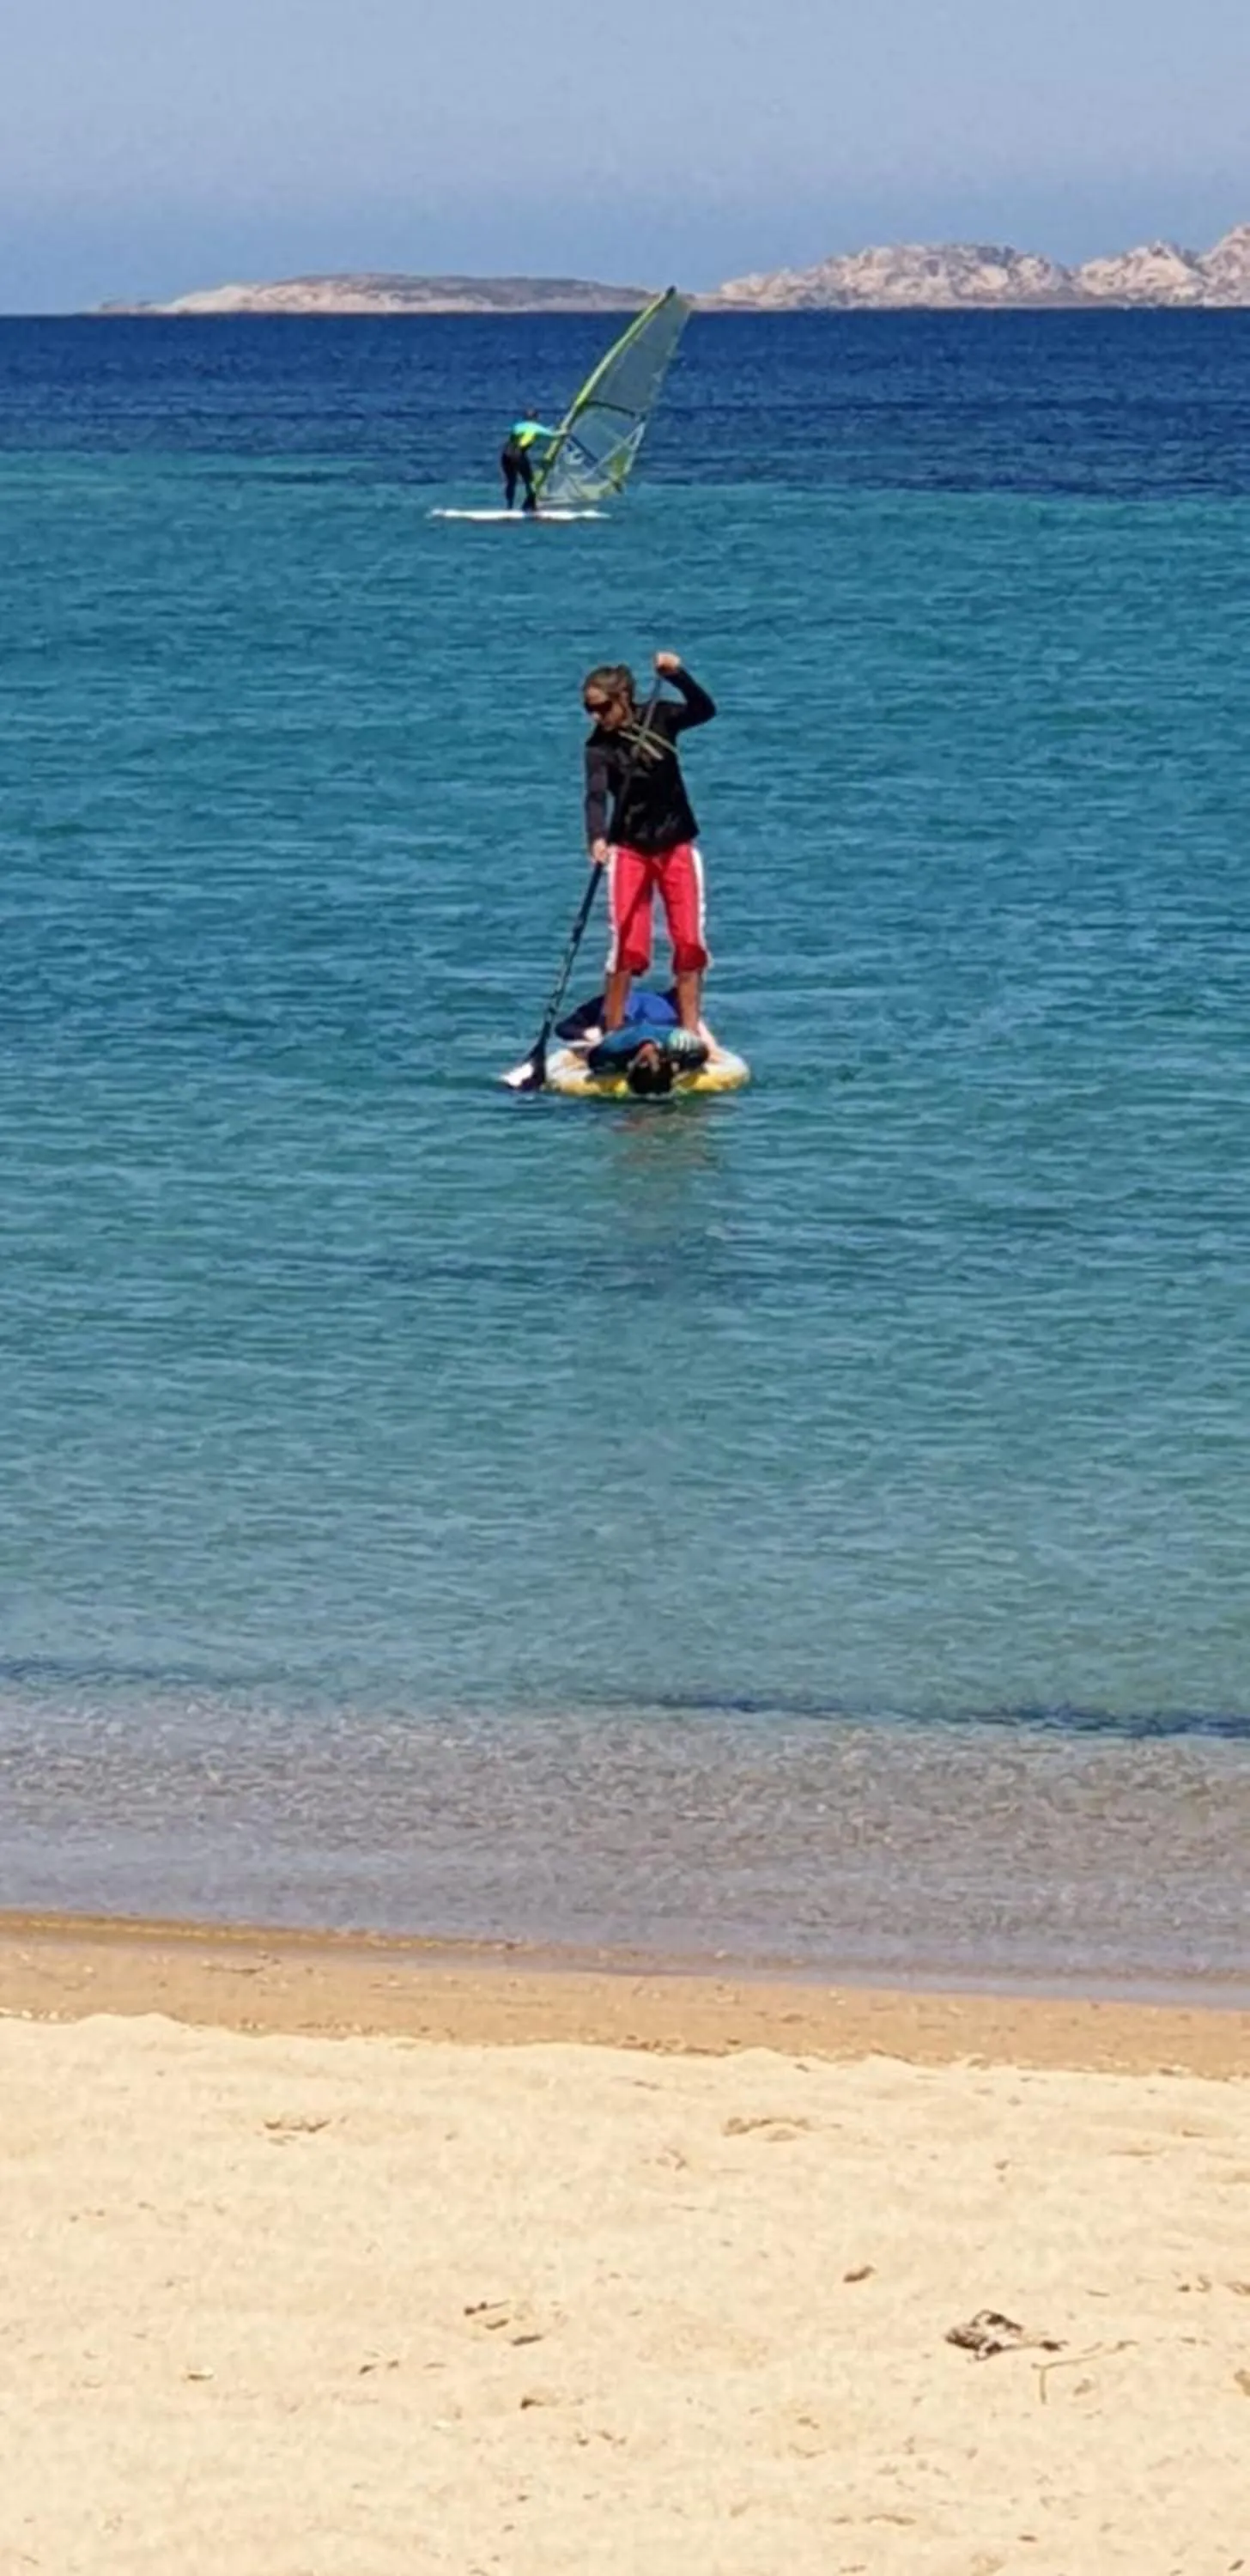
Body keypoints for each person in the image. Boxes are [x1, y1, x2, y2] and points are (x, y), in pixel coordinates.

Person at [583, 652, 715, 1035]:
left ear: (623, 698)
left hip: (676, 843)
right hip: (630, 850)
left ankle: (690, 1031)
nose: (595, 716)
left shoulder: (661, 716)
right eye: (588, 709)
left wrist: (678, 675)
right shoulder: (598, 747)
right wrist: (596, 838)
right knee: (628, 943)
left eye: (601, 708)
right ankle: (614, 1028)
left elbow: (705, 709)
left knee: (688, 940)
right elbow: (594, 798)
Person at [501, 413, 559, 512]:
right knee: (530, 481)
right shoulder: (536, 427)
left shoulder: (518, 426)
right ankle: (533, 507)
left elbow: (527, 432)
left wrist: (546, 430)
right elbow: (553, 435)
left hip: (506, 455)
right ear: (536, 418)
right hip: (518, 455)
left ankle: (509, 507)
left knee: (511, 481)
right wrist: (565, 432)